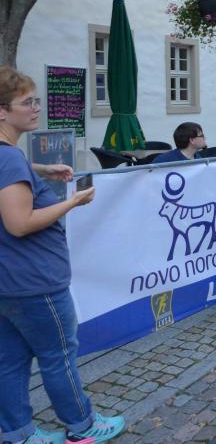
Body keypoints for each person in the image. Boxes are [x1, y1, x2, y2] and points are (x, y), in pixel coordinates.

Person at [0, 66, 126, 444]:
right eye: (27, 102)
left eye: (37, 100)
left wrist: (42, 169)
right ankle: (82, 426)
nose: (36, 108)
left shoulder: (11, 157)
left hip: (9, 281)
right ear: (2, 111)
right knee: (59, 356)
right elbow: (19, 223)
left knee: (10, 360)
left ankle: (18, 433)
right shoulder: (10, 160)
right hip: (35, 281)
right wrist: (72, 202)